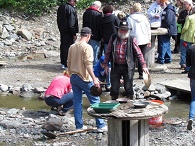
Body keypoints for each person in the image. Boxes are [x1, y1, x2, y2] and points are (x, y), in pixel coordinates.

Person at [67, 27, 107, 132]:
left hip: (74, 77)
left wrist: (71, 74)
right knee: (95, 100)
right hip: (84, 78)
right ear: (88, 36)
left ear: (81, 35)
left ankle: (79, 126)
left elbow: (68, 63)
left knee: (77, 102)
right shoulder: (87, 47)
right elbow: (88, 64)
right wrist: (94, 79)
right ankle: (101, 125)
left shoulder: (72, 46)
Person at [104, 20, 149, 100]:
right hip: (116, 65)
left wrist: (144, 66)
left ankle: (130, 102)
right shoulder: (113, 38)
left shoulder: (132, 39)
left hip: (128, 66)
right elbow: (108, 52)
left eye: (125, 30)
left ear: (128, 30)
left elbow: (139, 53)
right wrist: (106, 64)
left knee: (128, 86)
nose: (123, 31)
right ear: (118, 30)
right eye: (121, 29)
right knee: (114, 87)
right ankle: (113, 103)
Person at [127, 2, 151, 79]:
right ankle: (141, 73)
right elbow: (148, 30)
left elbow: (128, 30)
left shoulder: (130, 18)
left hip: (133, 39)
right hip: (143, 39)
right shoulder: (145, 18)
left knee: (132, 57)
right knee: (142, 57)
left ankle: (131, 73)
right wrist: (149, 39)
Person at [57, 0, 78, 69]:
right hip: (69, 32)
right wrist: (74, 33)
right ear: (72, 1)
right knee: (69, 48)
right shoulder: (71, 9)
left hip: (62, 31)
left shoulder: (61, 7)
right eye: (75, 1)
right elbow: (71, 23)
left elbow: (58, 20)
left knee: (63, 46)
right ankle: (67, 64)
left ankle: (63, 62)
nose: (75, 3)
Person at [156, 0, 177, 64]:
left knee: (163, 44)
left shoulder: (169, 10)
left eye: (161, 3)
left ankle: (161, 59)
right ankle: (167, 58)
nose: (160, 5)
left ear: (165, 2)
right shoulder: (167, 9)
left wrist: (162, 26)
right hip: (168, 29)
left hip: (167, 30)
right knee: (167, 44)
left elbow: (168, 21)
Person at [83, 1, 102, 66]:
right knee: (94, 54)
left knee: (87, 53)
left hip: (86, 36)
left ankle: (86, 66)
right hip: (95, 37)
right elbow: (99, 27)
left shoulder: (86, 13)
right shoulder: (98, 14)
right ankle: (94, 69)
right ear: (98, 7)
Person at [178, 0, 194, 72]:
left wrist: (181, 32)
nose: (184, 5)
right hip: (192, 37)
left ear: (190, 5)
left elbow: (185, 28)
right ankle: (185, 65)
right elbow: (178, 21)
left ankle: (187, 67)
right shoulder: (182, 12)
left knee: (185, 52)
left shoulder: (190, 17)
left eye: (185, 4)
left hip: (186, 36)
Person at [186, 44, 195, 130]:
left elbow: (187, 64)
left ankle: (191, 118)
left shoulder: (191, 48)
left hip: (193, 76)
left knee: (193, 99)